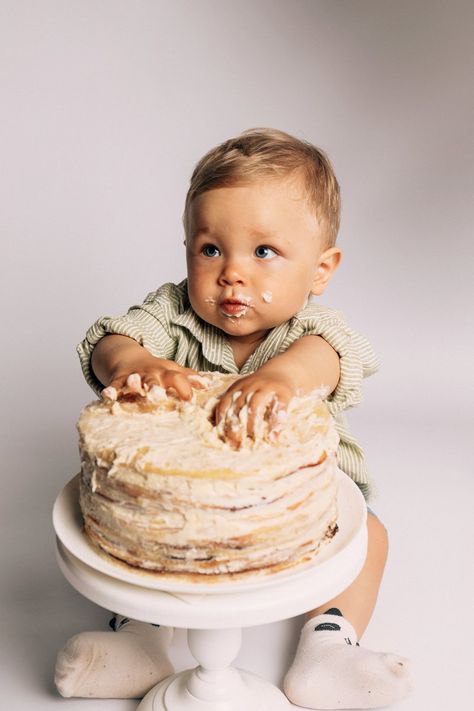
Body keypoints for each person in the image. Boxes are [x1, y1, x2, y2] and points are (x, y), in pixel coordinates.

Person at [55, 128, 413, 708]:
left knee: (369, 537)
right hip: (178, 504)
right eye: (211, 249)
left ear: (321, 270)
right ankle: (140, 640)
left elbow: (331, 357)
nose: (232, 274)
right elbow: (110, 340)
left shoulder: (310, 333)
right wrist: (136, 361)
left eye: (264, 251)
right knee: (144, 548)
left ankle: (329, 646)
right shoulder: (173, 313)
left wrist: (284, 377)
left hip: (297, 507)